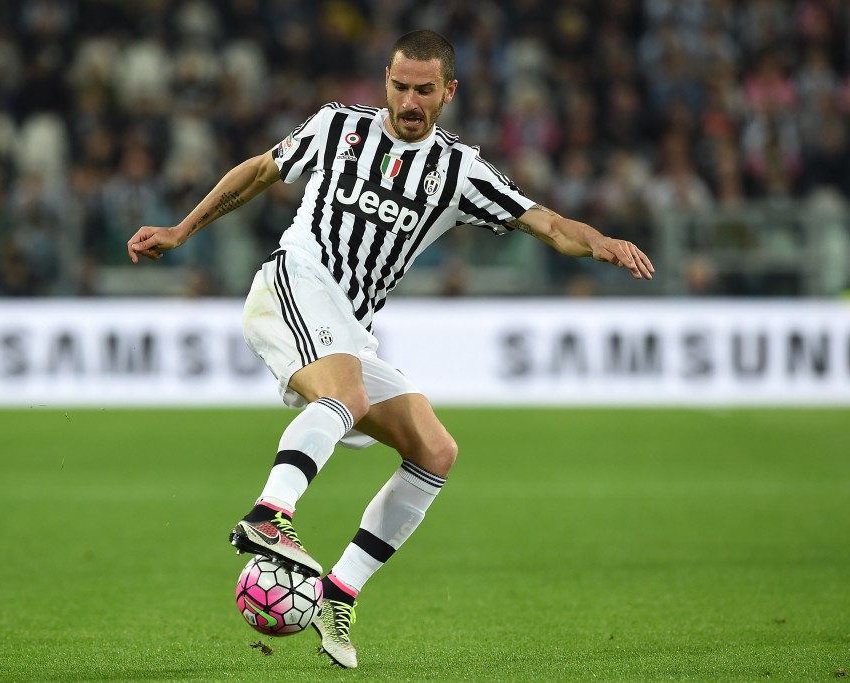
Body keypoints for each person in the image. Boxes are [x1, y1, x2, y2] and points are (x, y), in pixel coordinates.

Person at [127, 30, 654, 669]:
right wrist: (182, 230)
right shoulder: (334, 127)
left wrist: (597, 241)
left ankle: (337, 592)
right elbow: (262, 171)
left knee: (435, 449)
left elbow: (544, 221)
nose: (409, 101)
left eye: (423, 90)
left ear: (448, 92)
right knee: (345, 393)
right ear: (386, 80)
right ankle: (270, 515)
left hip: (349, 325)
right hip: (294, 281)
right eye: (399, 86)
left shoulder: (459, 172)